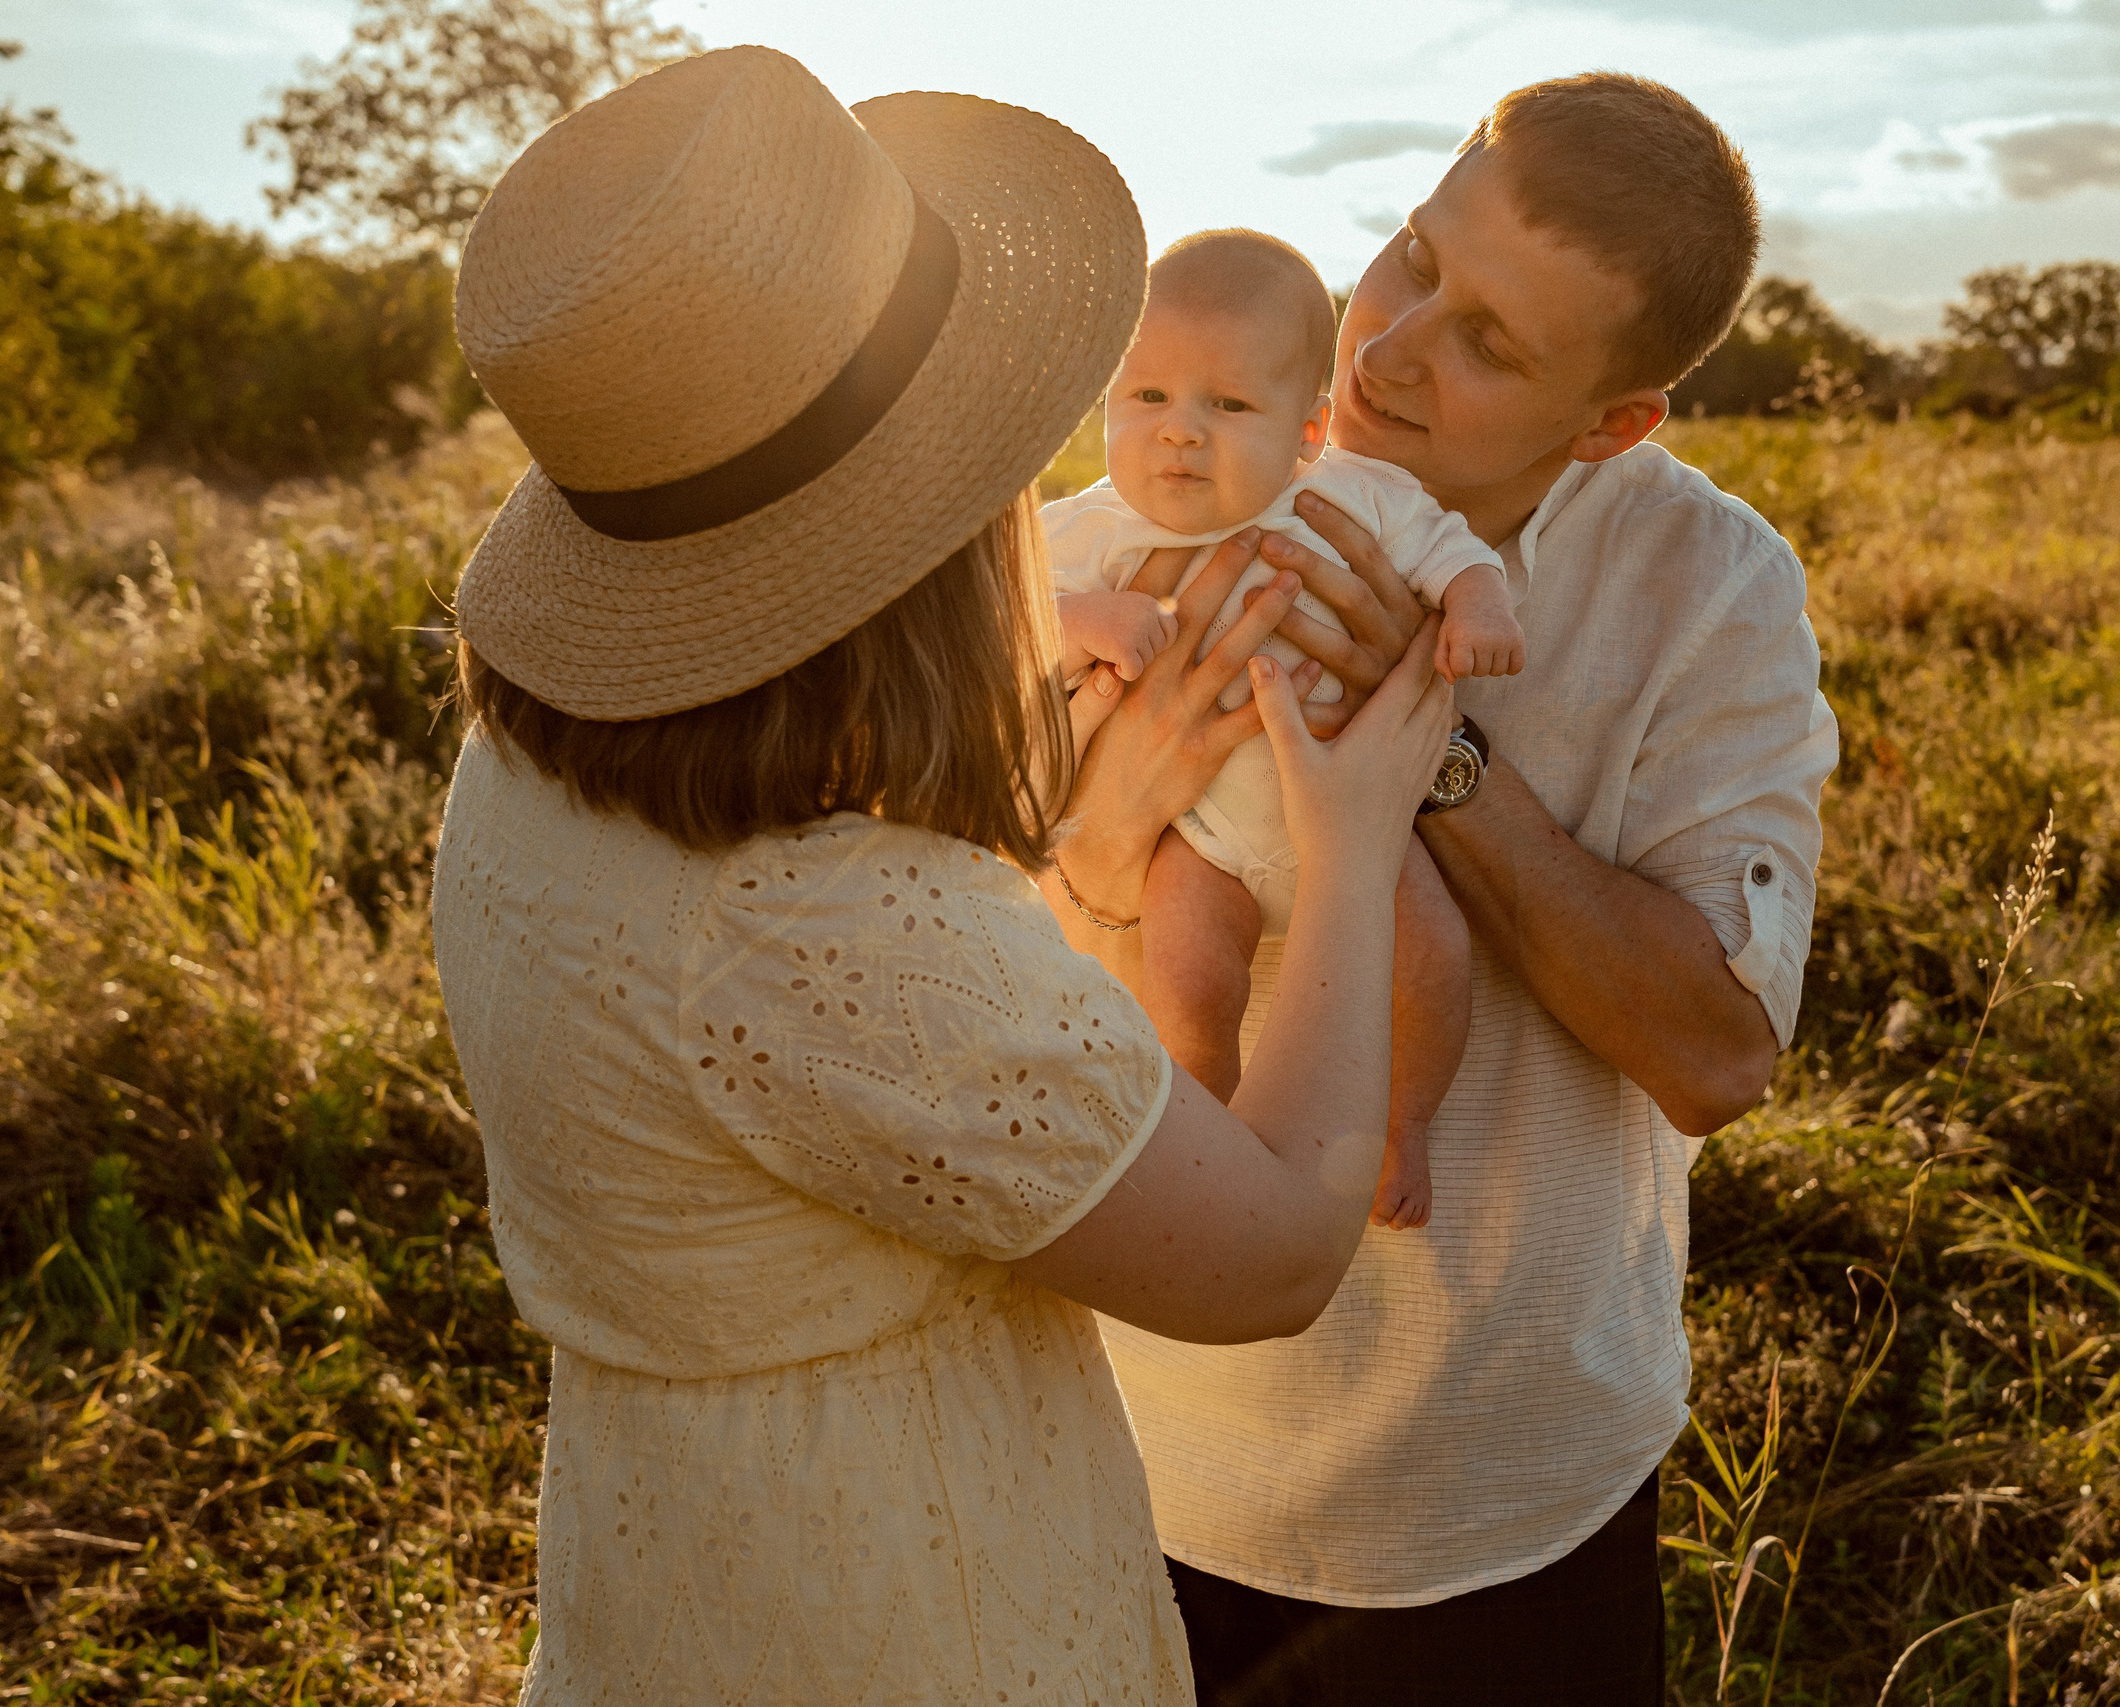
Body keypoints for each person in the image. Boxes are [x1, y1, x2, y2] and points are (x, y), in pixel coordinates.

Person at [427, 46, 1451, 1705]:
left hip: (658, 1569)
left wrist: (1101, 840)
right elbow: (1271, 1254)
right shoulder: (830, 921)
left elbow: (897, 1092)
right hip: (911, 1612)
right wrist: (1351, 846)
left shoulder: (528, 769)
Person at [1052, 73, 1839, 1701]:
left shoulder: (1716, 586)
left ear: (1611, 420)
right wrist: (1112, 814)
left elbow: (1716, 1054)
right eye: (1413, 257)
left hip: (1499, 1492)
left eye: (1488, 342)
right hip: (1124, 1438)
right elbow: (973, 930)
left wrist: (1438, 758)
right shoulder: (1181, 466)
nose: (1388, 349)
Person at [1046, 228, 1523, 1230]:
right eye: (1146, 397)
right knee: (1186, 984)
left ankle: (1404, 1125)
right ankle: (1197, 1130)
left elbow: (1451, 550)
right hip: (1202, 841)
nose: (1179, 432)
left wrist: (1478, 609)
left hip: (1360, 827)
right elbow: (1009, 620)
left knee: (1431, 956)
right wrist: (1085, 619)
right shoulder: (1090, 531)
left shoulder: (1349, 496)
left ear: (1307, 433)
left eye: (1226, 405)